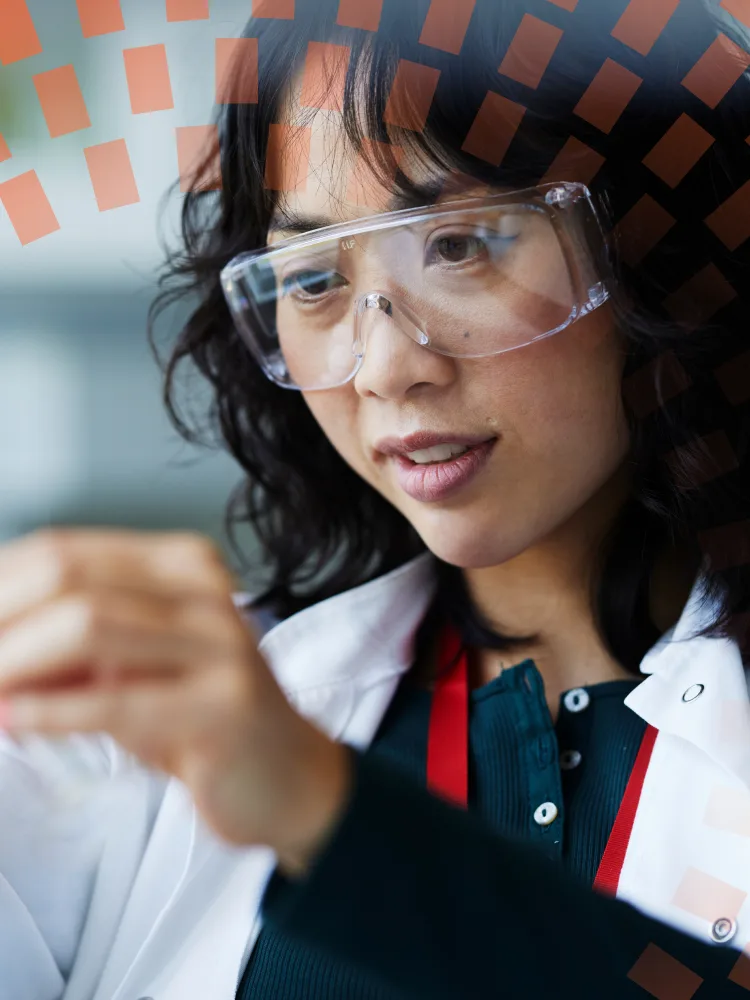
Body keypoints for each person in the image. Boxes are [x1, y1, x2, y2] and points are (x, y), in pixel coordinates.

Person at [0, 0, 749, 997]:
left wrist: (327, 816)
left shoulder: (279, 762)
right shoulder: (150, 744)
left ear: (653, 245)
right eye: (314, 277)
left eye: (462, 244)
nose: (387, 365)